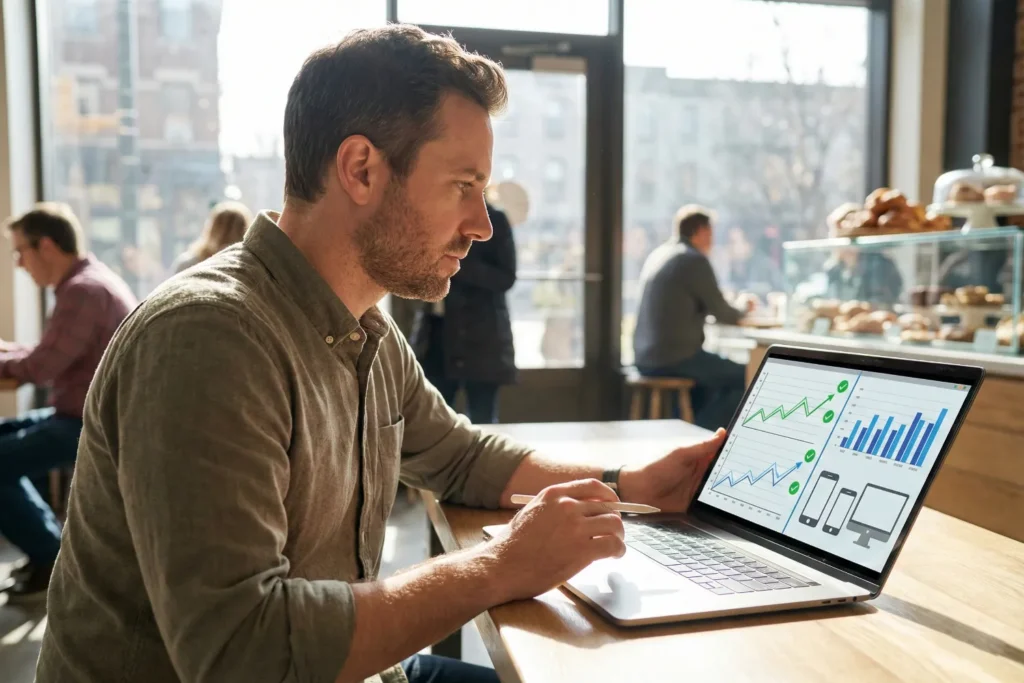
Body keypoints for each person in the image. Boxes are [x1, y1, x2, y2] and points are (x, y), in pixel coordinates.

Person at [36, 26, 725, 683]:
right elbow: (243, 652)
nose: (481, 226)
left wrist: (626, 484)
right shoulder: (209, 338)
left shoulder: (365, 331)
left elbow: (457, 455)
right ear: (361, 168)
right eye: (463, 186)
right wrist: (500, 567)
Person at [0, 202, 136, 602]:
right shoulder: (87, 283)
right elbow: (51, 355)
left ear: (45, 246)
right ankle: (47, 553)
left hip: (89, 423)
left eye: (19, 251)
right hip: (77, 412)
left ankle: (50, 557)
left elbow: (41, 367)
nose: (19, 263)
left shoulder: (82, 291)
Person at [632, 205, 750, 431]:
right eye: (712, 234)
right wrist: (744, 307)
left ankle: (685, 429)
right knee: (749, 375)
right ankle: (701, 436)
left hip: (645, 357)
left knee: (712, 381)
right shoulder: (693, 260)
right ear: (703, 231)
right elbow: (724, 313)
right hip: (675, 357)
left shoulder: (659, 254)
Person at [410, 201, 517, 424]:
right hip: (436, 334)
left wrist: (456, 264)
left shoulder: (494, 220)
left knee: (482, 420)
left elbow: (506, 277)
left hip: (481, 335)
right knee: (434, 420)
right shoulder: (431, 214)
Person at [171, 200, 253, 273]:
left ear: (210, 229)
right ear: (246, 231)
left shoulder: (187, 264)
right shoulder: (249, 270)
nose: (227, 234)